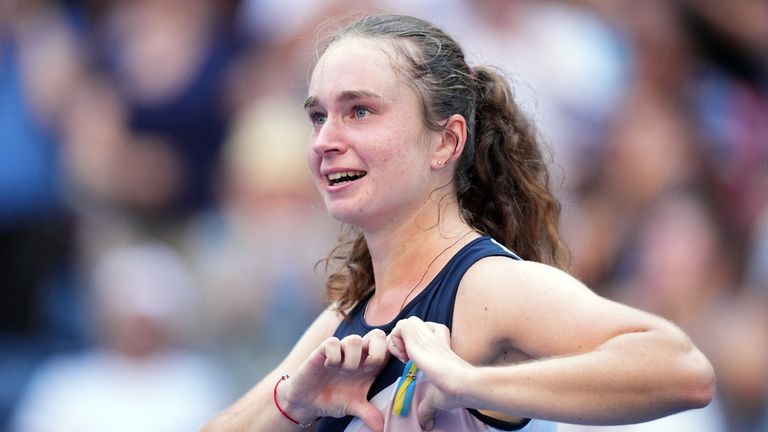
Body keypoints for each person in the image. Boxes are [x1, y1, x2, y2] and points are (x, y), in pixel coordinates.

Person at [203, 14, 715, 432]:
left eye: (359, 111)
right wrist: (292, 402)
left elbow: (683, 371)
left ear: (446, 142)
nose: (324, 141)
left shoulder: (482, 286)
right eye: (319, 116)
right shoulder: (350, 311)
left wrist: (468, 383)